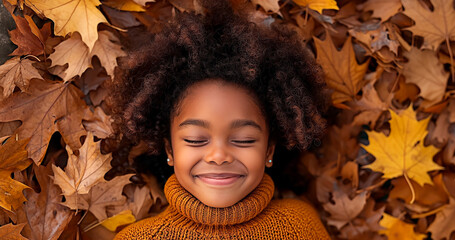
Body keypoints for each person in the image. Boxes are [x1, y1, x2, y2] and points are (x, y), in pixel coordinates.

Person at [112, 0, 329, 239]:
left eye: (244, 140)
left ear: (269, 150)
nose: (218, 156)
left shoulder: (300, 228)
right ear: (170, 150)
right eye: (195, 140)